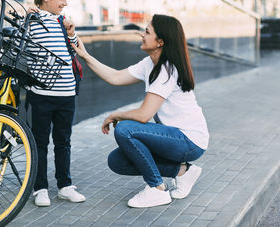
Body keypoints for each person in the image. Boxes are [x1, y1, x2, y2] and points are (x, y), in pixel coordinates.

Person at [71, 14, 209, 208]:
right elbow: (115, 77)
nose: (141, 35)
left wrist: (115, 115)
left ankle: (157, 189)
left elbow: (144, 115)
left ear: (160, 41)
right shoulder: (149, 64)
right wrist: (85, 55)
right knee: (117, 161)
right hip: (174, 137)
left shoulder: (167, 69)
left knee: (125, 129)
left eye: (147, 31)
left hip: (189, 141)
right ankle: (183, 172)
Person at [27, 0, 85, 207]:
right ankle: (39, 188)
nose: (65, 3)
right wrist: (26, 16)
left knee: (63, 141)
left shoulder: (63, 22)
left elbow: (76, 49)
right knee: (40, 143)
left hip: (66, 93)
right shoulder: (32, 20)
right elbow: (21, 44)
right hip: (41, 94)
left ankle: (65, 185)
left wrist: (72, 34)